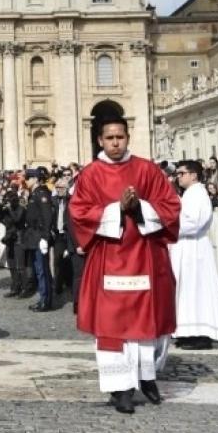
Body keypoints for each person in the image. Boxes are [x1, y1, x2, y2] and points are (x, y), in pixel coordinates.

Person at [70, 117, 181, 414]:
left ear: (128, 137)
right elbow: (79, 212)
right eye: (110, 138)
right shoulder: (91, 174)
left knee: (145, 321)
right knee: (111, 324)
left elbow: (170, 206)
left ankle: (146, 377)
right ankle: (120, 388)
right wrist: (116, 209)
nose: (116, 143)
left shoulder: (147, 169)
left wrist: (140, 207)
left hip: (144, 254)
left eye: (120, 137)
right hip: (110, 255)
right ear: (100, 141)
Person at [169, 160, 218, 350]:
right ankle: (186, 331)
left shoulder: (198, 194)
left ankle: (201, 334)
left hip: (194, 247)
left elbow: (194, 222)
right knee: (185, 289)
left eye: (181, 173)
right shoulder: (188, 194)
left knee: (195, 289)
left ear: (193, 175)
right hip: (184, 246)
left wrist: (168, 225)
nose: (178, 177)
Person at [22, 168, 55, 312]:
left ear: (35, 179)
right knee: (38, 269)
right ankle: (43, 297)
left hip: (40, 236)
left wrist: (45, 238)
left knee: (43, 270)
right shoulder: (34, 194)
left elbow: (47, 217)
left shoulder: (42, 194)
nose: (26, 181)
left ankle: (46, 301)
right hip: (34, 236)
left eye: (28, 178)